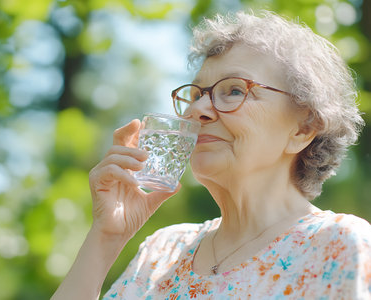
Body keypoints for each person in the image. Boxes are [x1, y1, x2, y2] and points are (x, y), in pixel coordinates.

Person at [52, 10, 371, 299]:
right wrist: (106, 236)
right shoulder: (163, 250)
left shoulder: (339, 244)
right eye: (194, 94)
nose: (196, 110)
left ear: (303, 129)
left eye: (234, 90)